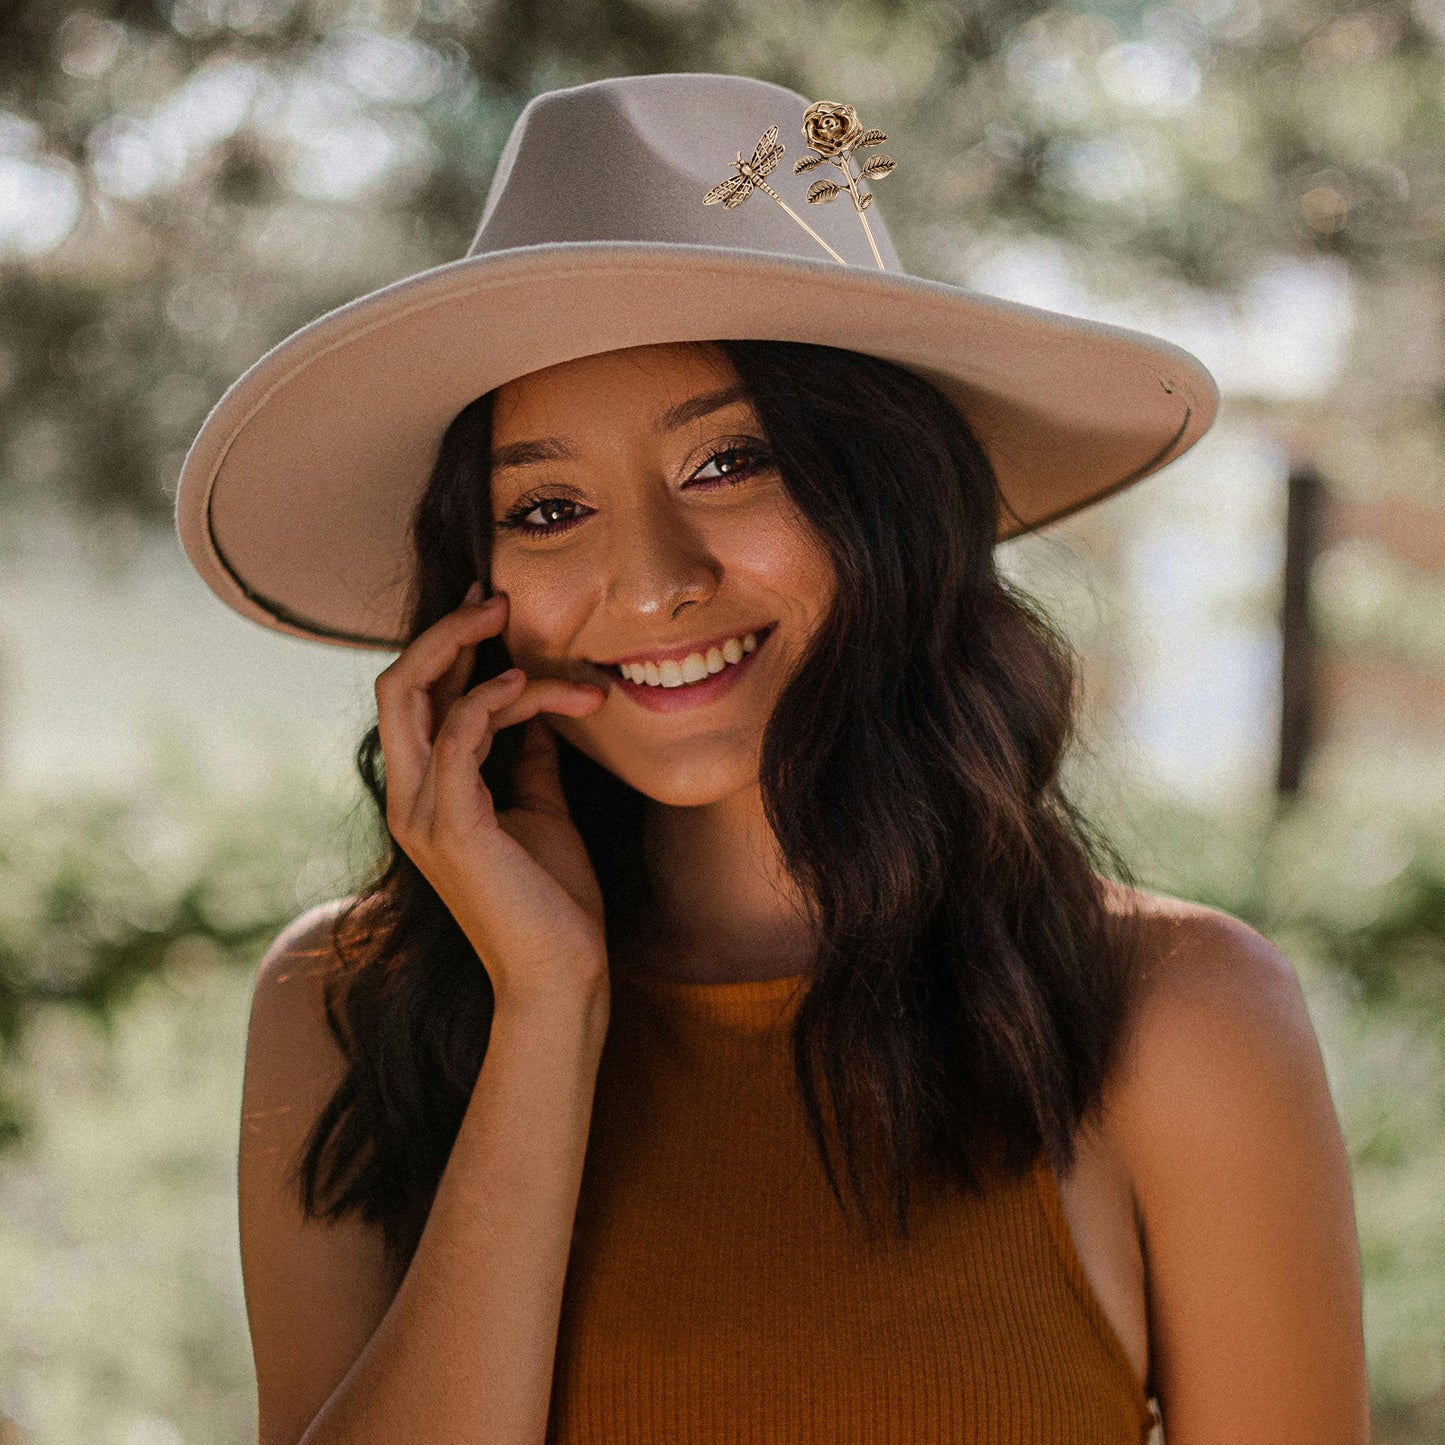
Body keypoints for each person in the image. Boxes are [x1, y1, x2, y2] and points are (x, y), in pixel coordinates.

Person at [179, 74, 1369, 1445]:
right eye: (549, 505)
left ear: (888, 497)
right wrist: (547, 1011)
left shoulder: (1170, 1014)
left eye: (729, 463)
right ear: (473, 585)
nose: (652, 582)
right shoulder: (349, 1004)